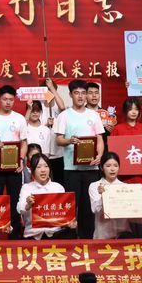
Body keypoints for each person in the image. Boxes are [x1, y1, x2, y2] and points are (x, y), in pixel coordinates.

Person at [53, 79, 105, 239]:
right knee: (71, 205)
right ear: (70, 95)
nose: (81, 96)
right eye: (77, 93)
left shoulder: (94, 115)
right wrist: (69, 141)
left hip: (91, 168)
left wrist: (99, 155)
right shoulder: (64, 116)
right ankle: (70, 239)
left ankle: (87, 240)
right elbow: (58, 140)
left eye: (83, 93)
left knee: (88, 206)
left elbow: (99, 138)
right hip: (71, 169)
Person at [0, 85, 28, 239]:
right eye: (5, 99)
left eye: (11, 99)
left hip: (14, 168)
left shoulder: (19, 118)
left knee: (15, 203)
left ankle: (14, 238)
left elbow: (24, 142)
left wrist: (21, 160)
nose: (8, 102)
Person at [89, 152, 142, 239]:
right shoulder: (95, 186)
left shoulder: (126, 187)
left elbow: (132, 216)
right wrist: (102, 197)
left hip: (124, 235)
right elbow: (95, 209)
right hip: (103, 235)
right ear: (101, 167)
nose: (112, 169)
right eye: (108, 166)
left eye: (115, 166)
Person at [18, 154, 77, 240]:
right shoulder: (27, 187)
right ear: (32, 170)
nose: (43, 170)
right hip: (33, 234)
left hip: (55, 233)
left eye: (46, 166)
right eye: (39, 167)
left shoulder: (58, 187)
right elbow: (19, 209)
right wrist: (28, 205)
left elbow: (64, 213)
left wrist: (69, 222)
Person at [109, 98, 142, 185]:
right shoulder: (118, 129)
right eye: (130, 109)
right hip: (122, 174)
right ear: (125, 111)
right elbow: (112, 152)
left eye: (136, 109)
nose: (134, 112)